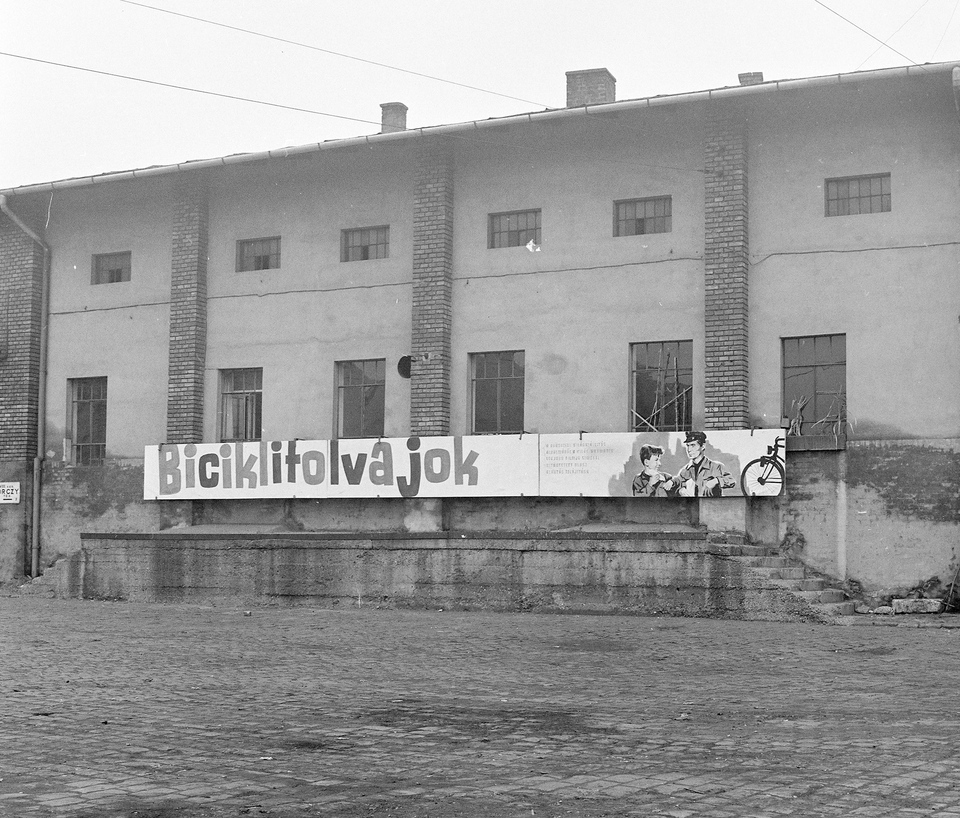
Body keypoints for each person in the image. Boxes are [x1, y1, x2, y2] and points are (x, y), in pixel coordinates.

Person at [676, 431, 735, 497]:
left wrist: (716, 480)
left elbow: (731, 481)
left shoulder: (716, 466)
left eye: (693, 445)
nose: (689, 450)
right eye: (687, 445)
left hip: (712, 504)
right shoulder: (685, 470)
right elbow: (677, 483)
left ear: (703, 446)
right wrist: (680, 489)